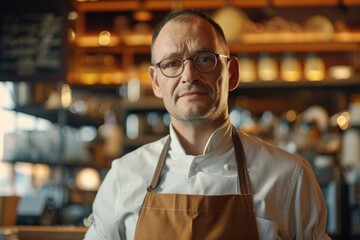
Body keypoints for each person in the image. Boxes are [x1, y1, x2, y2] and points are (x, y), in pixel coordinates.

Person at [84, 9, 330, 240]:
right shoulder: (123, 176)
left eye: (204, 59)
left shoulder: (289, 176)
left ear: (231, 72)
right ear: (156, 82)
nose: (189, 75)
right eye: (171, 63)